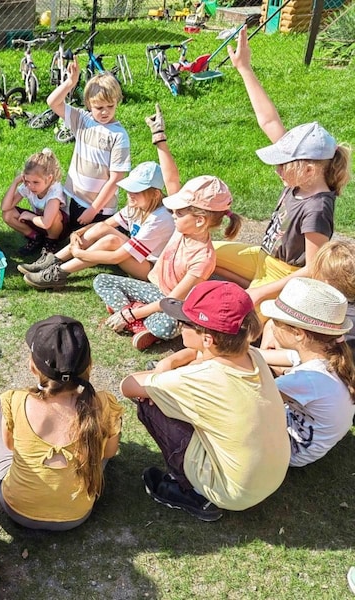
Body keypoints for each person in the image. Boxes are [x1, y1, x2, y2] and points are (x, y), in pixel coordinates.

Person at [120, 281, 290, 521]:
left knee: (149, 402)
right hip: (270, 478)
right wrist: (175, 360)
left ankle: (191, 491)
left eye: (184, 323)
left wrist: (163, 369)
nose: (179, 327)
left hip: (231, 492)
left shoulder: (200, 379)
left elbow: (129, 386)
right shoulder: (252, 355)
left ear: (208, 339)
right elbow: (201, 358)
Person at [213, 27, 351, 311]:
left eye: (282, 165)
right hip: (262, 257)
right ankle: (243, 285)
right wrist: (244, 69)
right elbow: (268, 121)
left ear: (310, 170)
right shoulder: (302, 177)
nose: (277, 170)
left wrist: (261, 292)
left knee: (240, 317)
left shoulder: (317, 209)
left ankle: (254, 297)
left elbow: (313, 269)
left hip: (286, 274)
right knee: (202, 254)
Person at [0, 316, 123, 530]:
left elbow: (10, 446)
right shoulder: (104, 403)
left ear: (32, 367)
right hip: (77, 515)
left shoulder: (15, 399)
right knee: (102, 436)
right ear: (88, 364)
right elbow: (109, 453)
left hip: (17, 509)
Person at [22, 104, 178, 289]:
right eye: (129, 189)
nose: (129, 195)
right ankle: (53, 261)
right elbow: (105, 225)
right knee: (100, 229)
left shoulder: (159, 218)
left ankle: (59, 273)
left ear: (155, 194)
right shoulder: (137, 206)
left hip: (153, 270)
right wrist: (77, 234)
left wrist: (81, 253)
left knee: (111, 241)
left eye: (136, 191)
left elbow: (116, 256)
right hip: (141, 257)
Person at [94, 175, 242, 350]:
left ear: (199, 220)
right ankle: (140, 325)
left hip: (174, 305)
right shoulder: (182, 230)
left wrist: (131, 314)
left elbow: (172, 300)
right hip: (155, 290)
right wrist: (160, 146)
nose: (172, 215)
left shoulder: (203, 258)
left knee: (168, 326)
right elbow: (171, 179)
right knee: (102, 280)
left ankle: (133, 316)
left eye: (179, 213)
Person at [256, 278, 355, 467]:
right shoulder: (326, 356)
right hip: (303, 435)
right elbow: (263, 355)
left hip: (291, 451)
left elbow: (250, 397)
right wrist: (246, 352)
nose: (271, 325)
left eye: (276, 321)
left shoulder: (308, 379)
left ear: (298, 333)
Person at [46, 63, 131, 231]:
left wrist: (93, 210)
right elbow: (53, 103)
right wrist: (71, 82)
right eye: (99, 108)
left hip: (100, 208)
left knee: (90, 248)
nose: (105, 112)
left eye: (110, 106)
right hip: (77, 199)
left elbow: (116, 179)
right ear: (88, 104)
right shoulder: (82, 120)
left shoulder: (119, 136)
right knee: (74, 238)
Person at [0, 148, 68, 256]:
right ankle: (35, 237)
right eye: (27, 181)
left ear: (49, 178)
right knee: (7, 214)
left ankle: (51, 243)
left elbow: (47, 223)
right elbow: (5, 207)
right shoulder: (29, 186)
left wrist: (29, 216)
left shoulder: (55, 191)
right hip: (40, 221)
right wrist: (15, 182)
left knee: (55, 216)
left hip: (57, 228)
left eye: (36, 182)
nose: (31, 186)